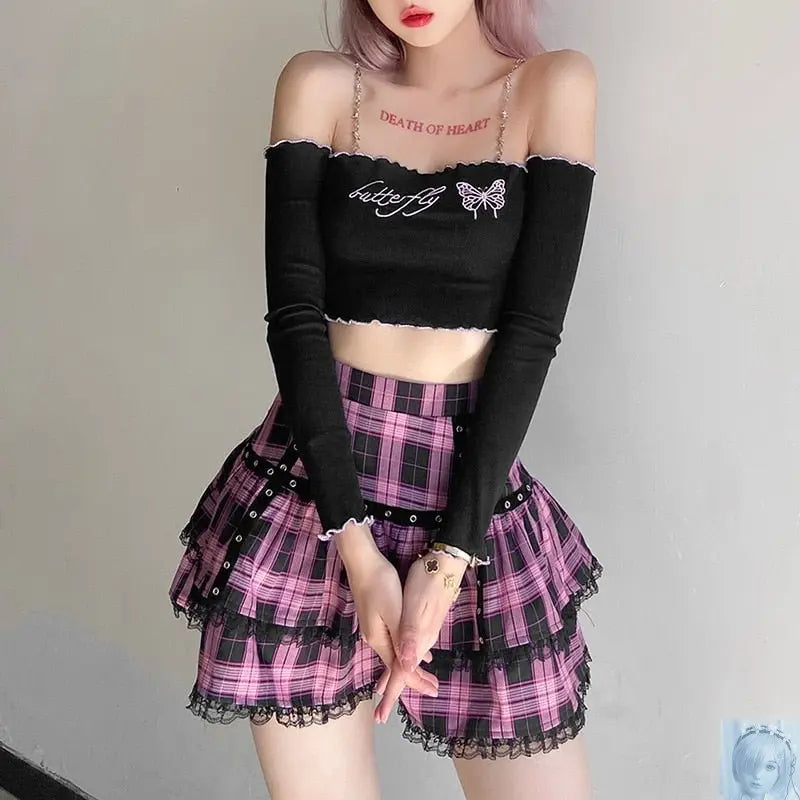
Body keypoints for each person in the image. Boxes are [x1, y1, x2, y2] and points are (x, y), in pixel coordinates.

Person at [168, 1, 604, 797]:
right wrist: (356, 549)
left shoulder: (553, 87)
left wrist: (450, 558)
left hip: (467, 487)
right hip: (316, 483)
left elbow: (532, 333)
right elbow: (295, 319)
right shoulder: (319, 86)